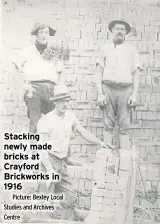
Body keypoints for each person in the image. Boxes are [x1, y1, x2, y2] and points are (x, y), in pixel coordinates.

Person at [37, 84, 114, 220]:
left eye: (67, 100)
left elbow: (82, 131)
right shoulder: (45, 120)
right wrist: (49, 169)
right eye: (62, 101)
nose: (65, 104)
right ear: (55, 101)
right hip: (48, 162)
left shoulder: (70, 117)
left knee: (70, 198)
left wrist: (100, 142)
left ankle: (64, 219)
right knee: (45, 202)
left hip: (62, 163)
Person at [95, 19, 142, 150]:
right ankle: (107, 159)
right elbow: (98, 71)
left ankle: (124, 162)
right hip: (108, 88)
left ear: (126, 32)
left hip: (125, 90)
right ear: (112, 31)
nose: (120, 31)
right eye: (117, 29)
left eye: (122, 29)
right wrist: (100, 93)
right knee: (107, 123)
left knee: (124, 125)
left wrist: (134, 94)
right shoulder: (104, 48)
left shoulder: (131, 49)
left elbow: (136, 72)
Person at [12, 22, 65, 133]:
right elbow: (13, 68)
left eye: (46, 32)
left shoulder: (54, 51)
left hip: (51, 90)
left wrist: (59, 90)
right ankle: (34, 150)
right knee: (35, 123)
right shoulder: (27, 50)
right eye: (41, 32)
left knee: (56, 123)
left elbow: (60, 73)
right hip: (34, 89)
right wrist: (25, 86)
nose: (44, 35)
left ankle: (57, 150)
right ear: (36, 34)